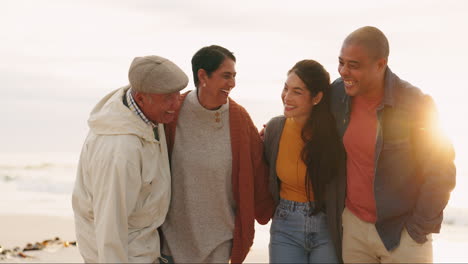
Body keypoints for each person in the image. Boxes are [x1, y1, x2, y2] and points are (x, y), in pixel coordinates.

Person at [330, 26, 456, 263]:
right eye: (341, 62)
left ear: (380, 64)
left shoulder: (415, 103)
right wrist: (273, 129)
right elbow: (310, 118)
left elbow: (442, 171)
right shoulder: (337, 94)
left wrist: (417, 228)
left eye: (353, 65)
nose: (344, 71)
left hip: (402, 232)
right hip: (354, 228)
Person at [160, 45, 275, 264]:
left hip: (221, 242)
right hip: (172, 242)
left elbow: (259, 168)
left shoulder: (239, 118)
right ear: (202, 75)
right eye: (226, 76)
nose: (232, 83)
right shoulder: (174, 113)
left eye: (233, 76)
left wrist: (275, 136)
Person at [72, 55, 188, 263]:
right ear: (142, 98)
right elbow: (109, 227)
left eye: (177, 94)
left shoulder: (146, 114)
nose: (176, 103)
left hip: (146, 251)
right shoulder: (121, 150)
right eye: (168, 98)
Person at [263, 60, 345, 263]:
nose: (287, 97)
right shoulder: (275, 129)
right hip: (285, 225)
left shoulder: (335, 135)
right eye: (286, 88)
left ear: (316, 98)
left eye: (297, 92)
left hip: (327, 225)